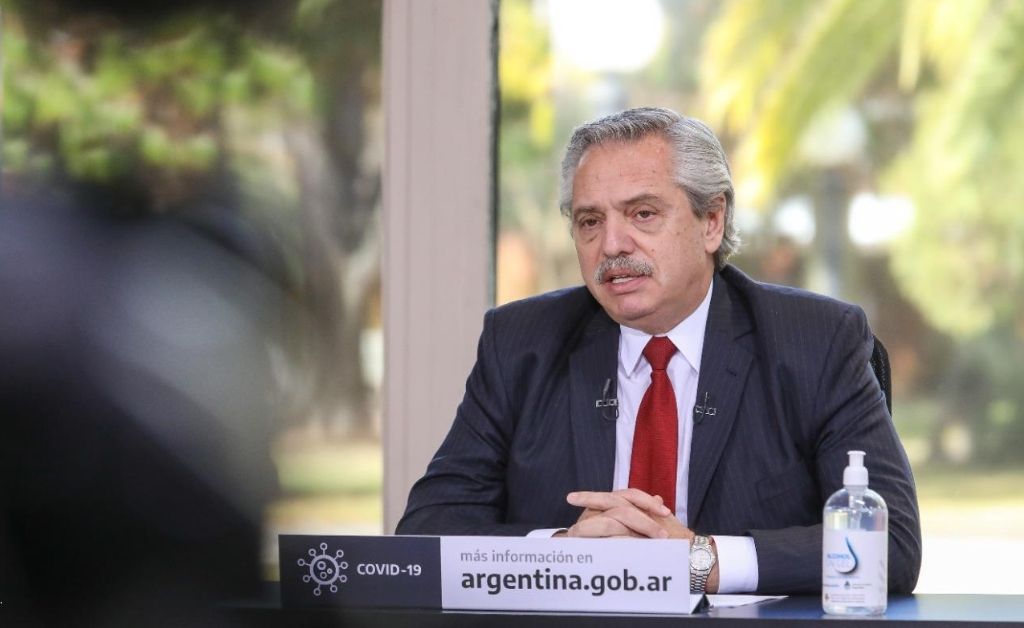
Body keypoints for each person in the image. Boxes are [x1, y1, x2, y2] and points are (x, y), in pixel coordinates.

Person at [395, 107, 921, 596]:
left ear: (711, 221)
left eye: (642, 214)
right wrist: (565, 554)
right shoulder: (521, 344)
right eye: (590, 221)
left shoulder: (814, 342)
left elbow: (888, 545)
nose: (612, 245)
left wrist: (697, 562)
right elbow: (425, 532)